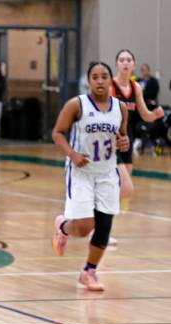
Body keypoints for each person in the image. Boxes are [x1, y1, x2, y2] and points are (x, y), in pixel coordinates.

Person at [51, 62, 130, 291]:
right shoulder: (77, 105)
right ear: (89, 80)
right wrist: (72, 154)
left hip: (107, 172)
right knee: (85, 226)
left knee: (104, 225)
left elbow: (122, 137)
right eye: (95, 76)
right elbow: (57, 132)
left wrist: (123, 142)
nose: (100, 80)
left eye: (104, 76)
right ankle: (63, 226)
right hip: (81, 172)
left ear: (109, 80)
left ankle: (89, 271)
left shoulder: (120, 108)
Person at [110, 50, 164, 208]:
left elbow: (145, 114)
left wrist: (155, 114)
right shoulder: (110, 86)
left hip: (128, 139)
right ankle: (98, 209)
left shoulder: (136, 87)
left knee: (123, 190)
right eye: (121, 59)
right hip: (111, 141)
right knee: (123, 186)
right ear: (116, 64)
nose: (125, 62)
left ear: (133, 65)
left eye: (128, 60)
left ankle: (104, 218)